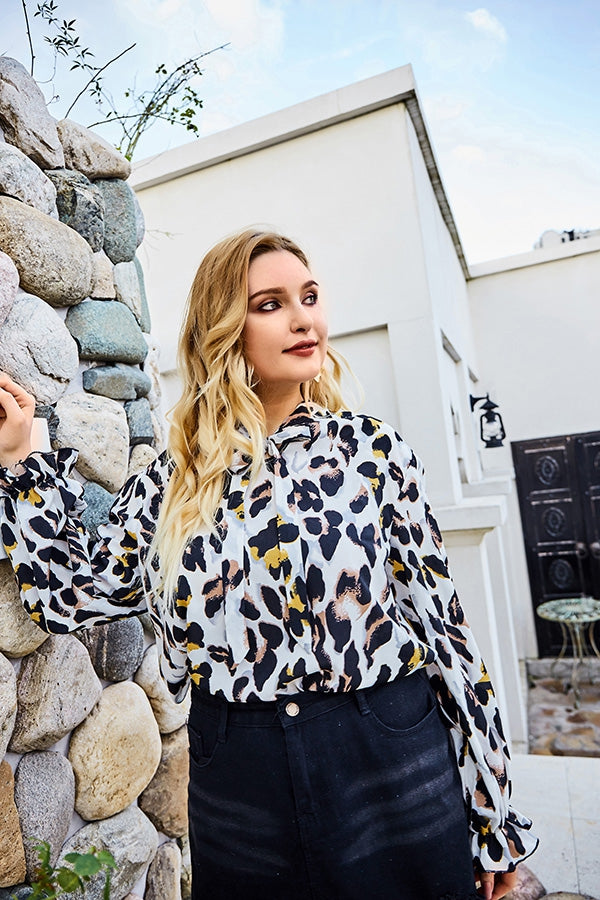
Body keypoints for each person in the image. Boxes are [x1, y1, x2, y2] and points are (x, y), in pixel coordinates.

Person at [0, 229, 537, 900]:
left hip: (388, 755)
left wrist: (495, 819)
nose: (303, 317)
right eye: (271, 303)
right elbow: (67, 597)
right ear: (225, 329)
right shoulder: (172, 481)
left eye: (309, 297)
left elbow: (446, 638)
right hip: (241, 777)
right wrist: (23, 461)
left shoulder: (373, 454)